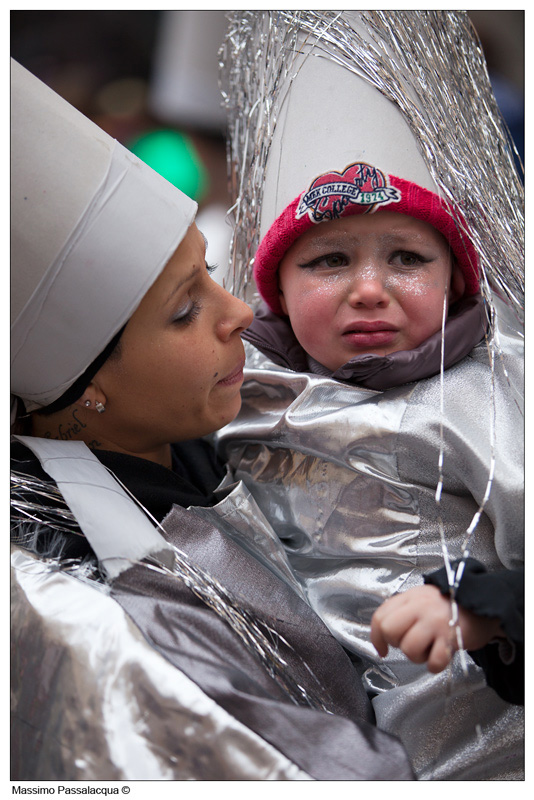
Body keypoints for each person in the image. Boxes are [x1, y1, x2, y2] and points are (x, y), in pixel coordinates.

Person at [10, 58, 415, 781]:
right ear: (86, 386)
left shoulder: (235, 414)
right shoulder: (91, 609)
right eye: (184, 309)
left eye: (209, 274)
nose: (238, 313)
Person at [217, 11, 524, 780]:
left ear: (457, 276)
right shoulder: (238, 391)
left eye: (407, 257)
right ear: (275, 290)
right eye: (326, 261)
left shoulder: (494, 393)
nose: (370, 290)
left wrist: (481, 606)